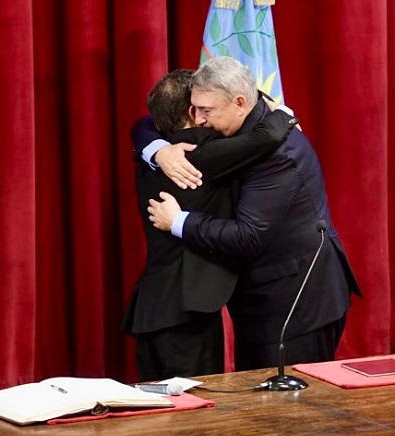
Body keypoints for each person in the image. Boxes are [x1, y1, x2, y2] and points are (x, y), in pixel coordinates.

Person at [145, 56, 361, 371]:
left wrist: (178, 221)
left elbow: (248, 236)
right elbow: (146, 124)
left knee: (291, 413)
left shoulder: (278, 156)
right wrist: (155, 149)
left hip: (296, 305)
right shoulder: (244, 125)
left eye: (207, 111)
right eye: (195, 109)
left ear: (241, 103)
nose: (199, 120)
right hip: (260, 302)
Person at [124, 69, 297, 381]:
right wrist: (283, 111)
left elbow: (143, 124)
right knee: (193, 415)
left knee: (156, 415)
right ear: (193, 110)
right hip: (186, 313)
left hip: (152, 309)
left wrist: (155, 148)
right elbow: (267, 137)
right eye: (202, 106)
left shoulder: (153, 155)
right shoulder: (203, 151)